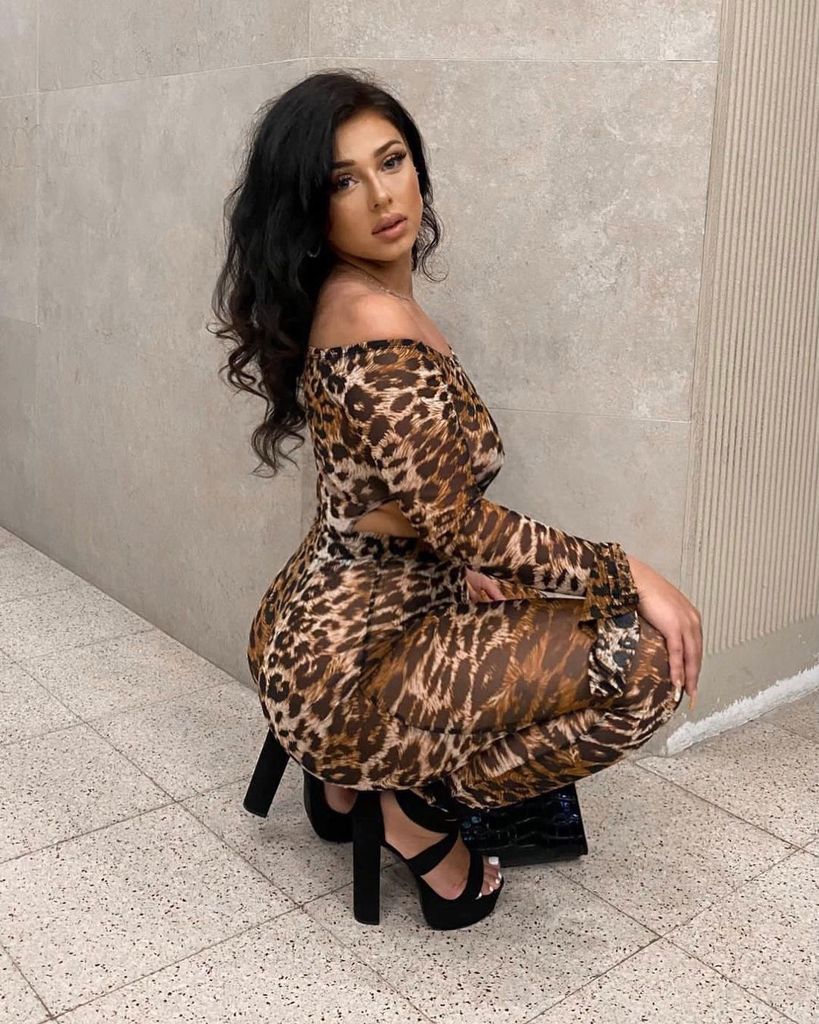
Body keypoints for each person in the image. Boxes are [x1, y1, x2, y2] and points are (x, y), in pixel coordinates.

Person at [210, 69, 702, 930]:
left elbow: (379, 495)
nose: (381, 196)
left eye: (391, 160)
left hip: (319, 624)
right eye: (342, 181)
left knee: (522, 601)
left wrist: (455, 565)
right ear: (310, 210)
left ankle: (345, 786)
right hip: (350, 668)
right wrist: (624, 571)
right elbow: (461, 521)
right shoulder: (373, 324)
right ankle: (413, 811)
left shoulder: (353, 299)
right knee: (649, 663)